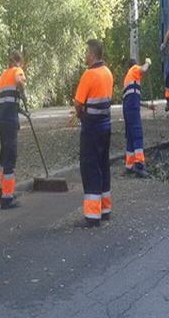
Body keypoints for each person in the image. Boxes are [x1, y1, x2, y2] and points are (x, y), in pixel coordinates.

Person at [74, 39, 114, 227]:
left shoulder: (88, 75)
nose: (84, 56)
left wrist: (79, 114)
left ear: (92, 54)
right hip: (106, 125)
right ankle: (105, 209)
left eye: (86, 52)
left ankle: (92, 215)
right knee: (103, 165)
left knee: (90, 167)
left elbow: (78, 103)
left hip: (91, 127)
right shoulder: (108, 73)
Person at [0, 51, 27, 209]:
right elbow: (19, 83)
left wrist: (19, 108)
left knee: (4, 154)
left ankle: (2, 192)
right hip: (9, 119)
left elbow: (6, 98)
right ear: (18, 61)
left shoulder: (3, 75)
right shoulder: (17, 71)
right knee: (10, 156)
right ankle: (8, 198)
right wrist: (23, 93)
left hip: (0, 118)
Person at [123, 57, 152, 177]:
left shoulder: (128, 79)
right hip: (132, 107)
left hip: (127, 108)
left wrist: (148, 106)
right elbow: (143, 69)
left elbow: (135, 98)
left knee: (130, 135)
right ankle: (139, 165)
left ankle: (129, 165)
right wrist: (148, 63)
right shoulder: (134, 69)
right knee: (137, 133)